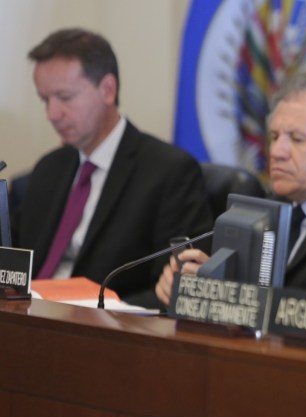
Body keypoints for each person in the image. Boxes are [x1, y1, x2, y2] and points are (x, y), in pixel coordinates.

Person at [11, 28, 212, 307]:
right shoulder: (50, 168)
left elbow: (173, 289)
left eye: (65, 98)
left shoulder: (169, 172)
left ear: (107, 89)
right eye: (45, 100)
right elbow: (13, 260)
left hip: (102, 332)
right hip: (24, 320)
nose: (52, 114)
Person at [154, 74, 306, 305]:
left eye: (296, 138)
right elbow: (245, 288)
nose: (276, 152)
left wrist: (228, 294)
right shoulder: (272, 202)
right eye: (274, 136)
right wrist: (204, 283)